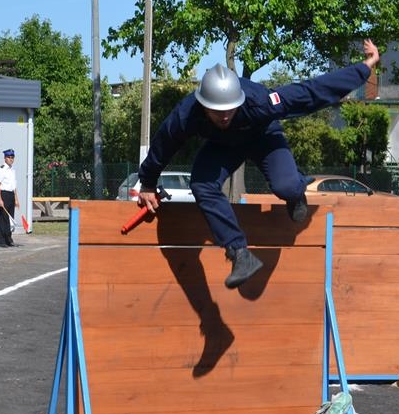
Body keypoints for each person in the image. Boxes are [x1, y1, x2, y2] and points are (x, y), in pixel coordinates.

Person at [138, 38, 380, 289]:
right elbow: (164, 143)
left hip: (263, 136)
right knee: (202, 184)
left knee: (285, 187)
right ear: (203, 104)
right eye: (216, 111)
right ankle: (239, 253)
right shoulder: (187, 113)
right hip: (223, 146)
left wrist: (365, 67)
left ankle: (297, 189)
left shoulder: (260, 101)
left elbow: (312, 92)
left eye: (229, 110)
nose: (223, 116)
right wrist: (148, 182)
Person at [0, 148, 19, 247]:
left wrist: (16, 199)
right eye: (9, 157)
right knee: (3, 218)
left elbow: (14, 186)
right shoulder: (1, 169)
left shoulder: (12, 170)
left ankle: (9, 239)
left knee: (10, 218)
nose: (11, 159)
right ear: (5, 158)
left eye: (12, 157)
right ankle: (2, 240)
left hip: (11, 195)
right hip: (4, 194)